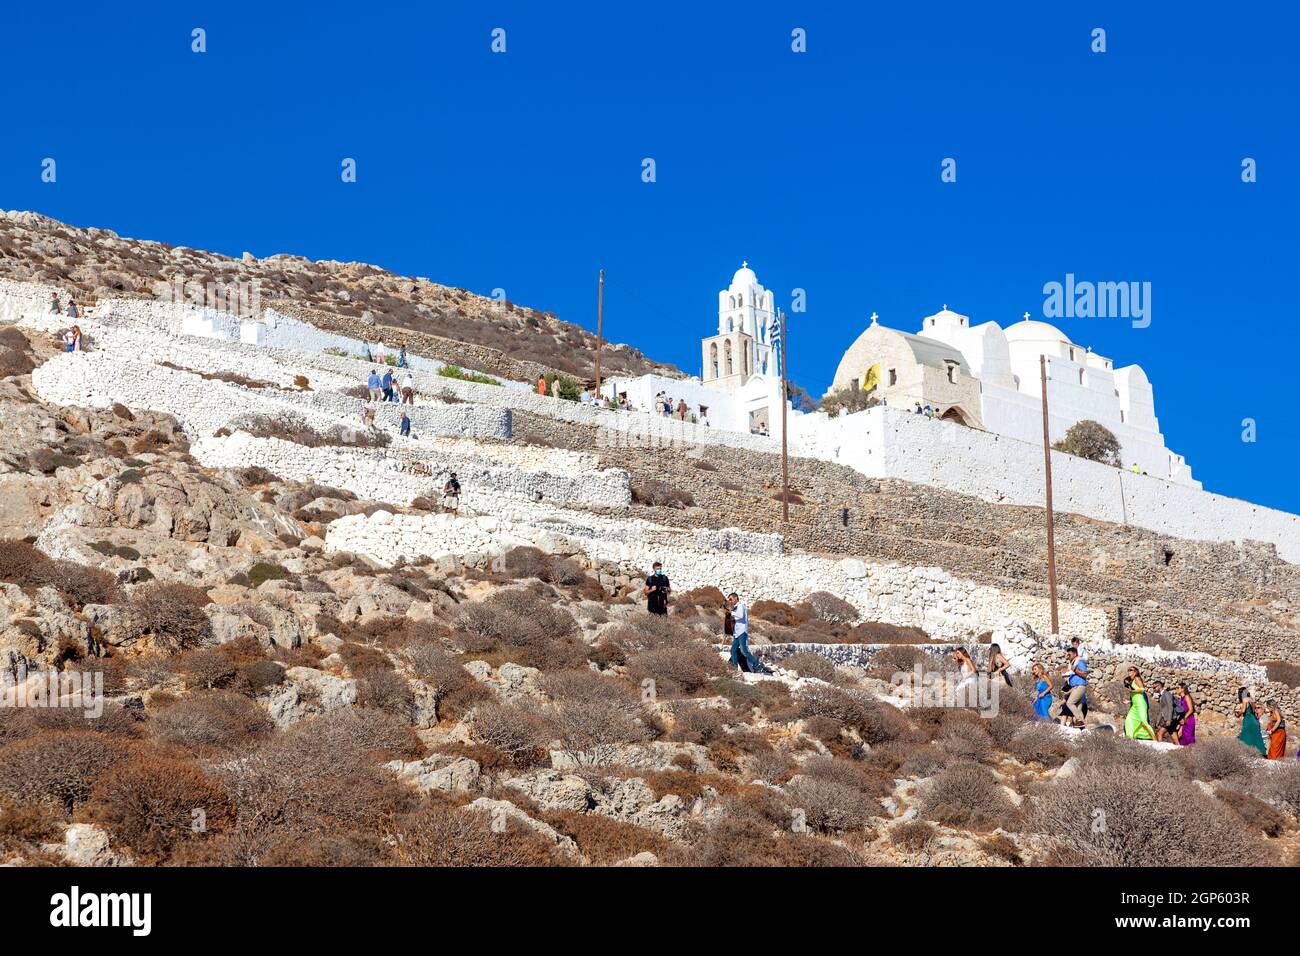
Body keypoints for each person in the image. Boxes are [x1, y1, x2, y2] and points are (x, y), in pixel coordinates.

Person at [726, 592, 763, 675]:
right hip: (737, 633)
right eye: (729, 600)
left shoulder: (740, 606)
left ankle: (756, 664)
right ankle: (734, 668)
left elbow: (740, 616)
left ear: (736, 598)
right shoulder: (735, 608)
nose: (730, 601)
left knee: (744, 651)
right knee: (733, 650)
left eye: (731, 599)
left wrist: (731, 613)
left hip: (742, 632)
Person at [1122, 666, 1156, 741]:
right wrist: (1129, 701)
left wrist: (1132, 691)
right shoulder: (1132, 681)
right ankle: (1130, 738)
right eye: (1129, 670)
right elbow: (1135, 695)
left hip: (1140, 703)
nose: (1129, 672)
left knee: (1143, 721)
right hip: (1135, 704)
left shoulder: (1137, 678)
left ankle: (1154, 739)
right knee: (1129, 719)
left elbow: (1142, 689)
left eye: (1131, 670)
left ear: (1135, 672)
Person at [1060, 647, 1088, 729]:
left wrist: (1075, 670)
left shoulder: (1080, 662)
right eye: (1067, 654)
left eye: (1069, 654)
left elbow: (1085, 674)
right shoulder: (1073, 663)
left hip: (1079, 686)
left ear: (1075, 654)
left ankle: (1080, 720)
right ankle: (1081, 727)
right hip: (1075, 687)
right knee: (1078, 707)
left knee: (1070, 703)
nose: (1068, 656)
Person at [1237, 688, 1267, 755]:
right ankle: (1260, 753)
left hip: (1248, 720)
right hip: (1254, 720)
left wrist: (1238, 713)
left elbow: (1243, 710)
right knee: (1255, 737)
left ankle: (1244, 753)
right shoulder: (1252, 700)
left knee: (1245, 737)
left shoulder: (1245, 699)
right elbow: (1254, 711)